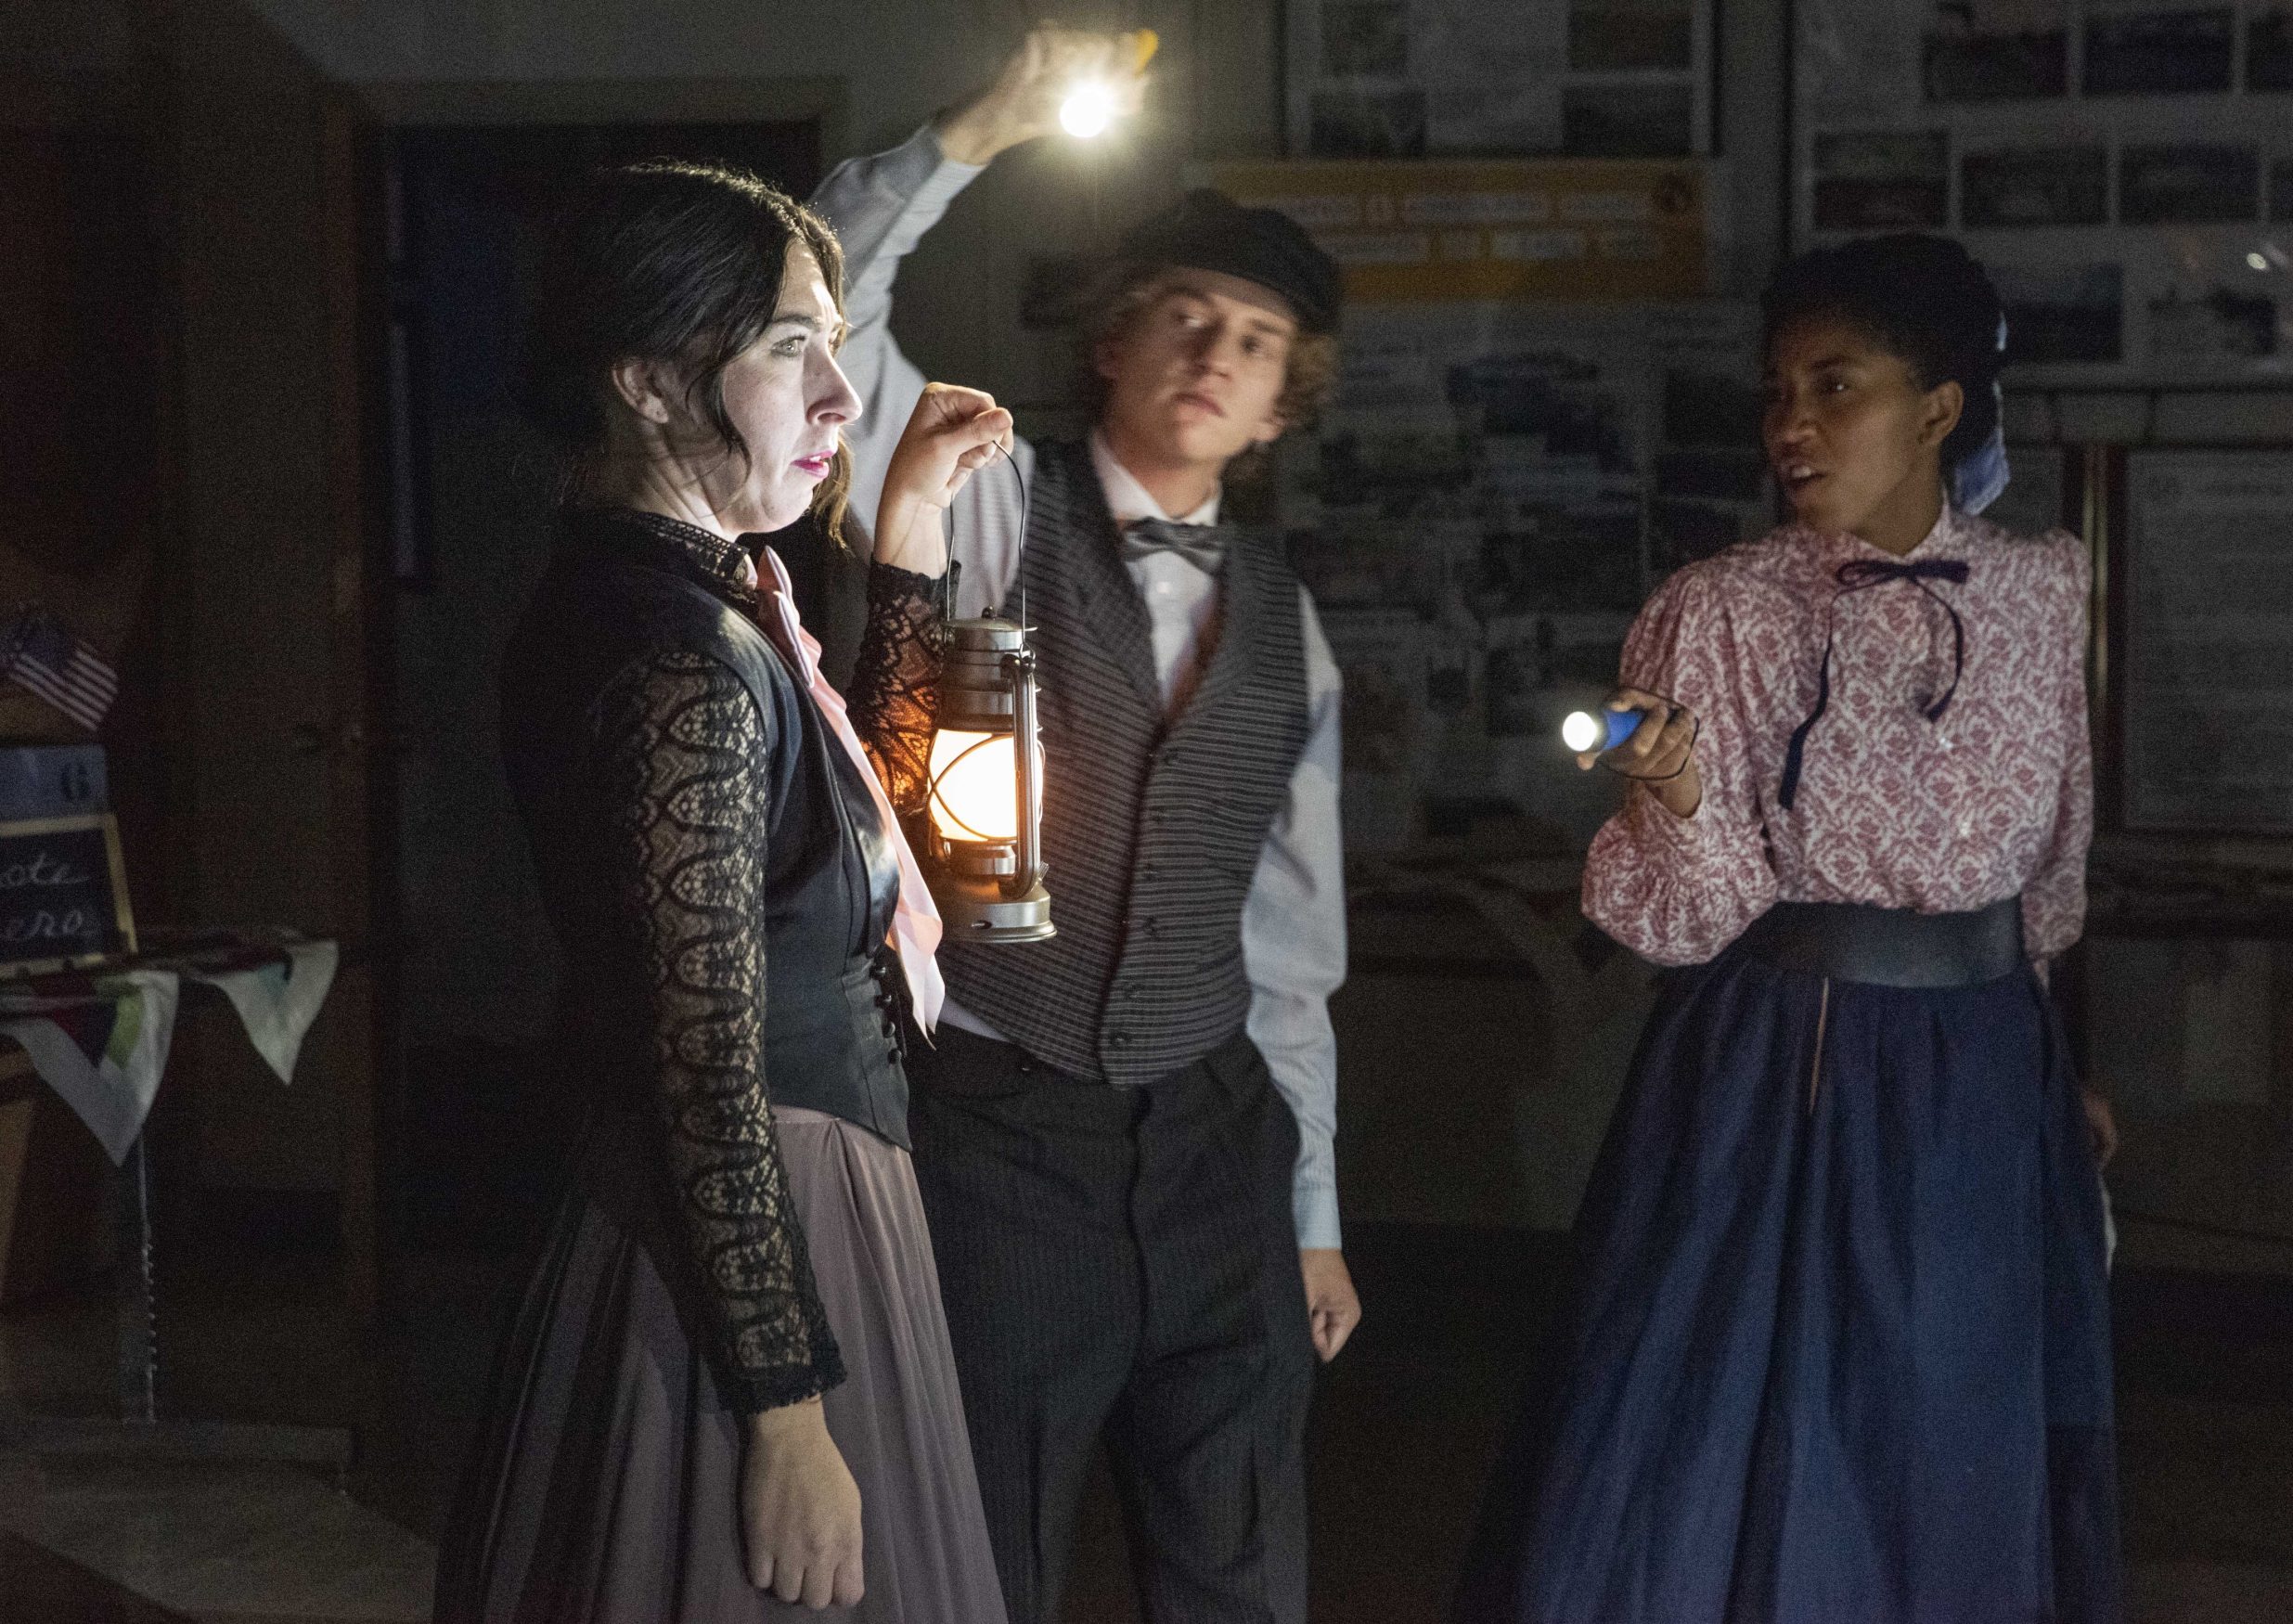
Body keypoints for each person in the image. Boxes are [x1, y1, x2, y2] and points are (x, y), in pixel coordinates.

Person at [1453, 235, 2121, 1623]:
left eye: (1835, 385)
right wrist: (1681, 792)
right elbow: (1692, 916)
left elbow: (2056, 853)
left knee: (1952, 1427)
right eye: (1776, 392)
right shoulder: (1721, 609)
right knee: (1754, 1429)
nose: (1791, 424)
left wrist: (2064, 1060)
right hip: (1786, 1069)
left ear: (1940, 408)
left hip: (1987, 1068)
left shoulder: (2044, 588)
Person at [812, 29, 1359, 1624]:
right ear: (1113, 340)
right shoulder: (982, 497)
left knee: (1239, 1564)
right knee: (981, 1556)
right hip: (1002, 1136)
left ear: (1280, 407)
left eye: (1256, 341)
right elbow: (822, 305)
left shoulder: (1290, 628)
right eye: (1185, 313)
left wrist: (1313, 1219)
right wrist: (978, 130)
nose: (1214, 351)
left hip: (1218, 1150)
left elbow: (1292, 953)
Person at [433, 159, 1015, 1623]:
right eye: (788, 346)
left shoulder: (707, 602)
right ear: (643, 380)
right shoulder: (671, 650)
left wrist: (907, 538)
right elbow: (699, 1062)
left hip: (799, 1202)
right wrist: (786, 1408)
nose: (839, 396)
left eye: (833, 347)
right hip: (749, 1233)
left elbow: (862, 838)